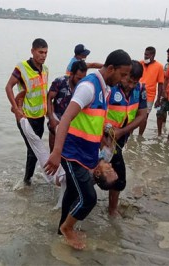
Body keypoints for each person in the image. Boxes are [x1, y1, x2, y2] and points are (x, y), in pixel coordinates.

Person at [44, 50, 132, 250]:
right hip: (71, 153)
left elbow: (94, 119)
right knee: (89, 198)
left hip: (85, 154)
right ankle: (68, 228)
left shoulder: (105, 89)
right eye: (123, 74)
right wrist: (56, 152)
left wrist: (102, 140)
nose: (124, 80)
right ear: (111, 69)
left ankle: (61, 229)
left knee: (73, 192)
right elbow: (65, 118)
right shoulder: (88, 87)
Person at [105, 60, 148, 216]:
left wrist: (123, 131)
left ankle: (112, 210)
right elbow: (96, 111)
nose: (130, 85)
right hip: (103, 137)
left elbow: (142, 115)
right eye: (128, 80)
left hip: (120, 137)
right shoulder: (110, 87)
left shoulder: (140, 89)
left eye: (134, 82)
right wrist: (107, 131)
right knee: (99, 172)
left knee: (117, 177)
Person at [5, 38, 49, 186]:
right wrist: (16, 110)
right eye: (40, 52)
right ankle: (27, 182)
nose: (43, 56)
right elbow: (9, 87)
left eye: (45, 53)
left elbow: (44, 94)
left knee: (35, 151)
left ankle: (28, 179)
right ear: (32, 51)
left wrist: (51, 115)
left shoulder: (46, 70)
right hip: (26, 118)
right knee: (33, 150)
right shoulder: (22, 67)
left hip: (40, 118)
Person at [47, 60, 87, 151]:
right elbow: (49, 99)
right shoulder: (60, 82)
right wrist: (51, 118)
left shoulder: (84, 87)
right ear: (72, 74)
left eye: (83, 79)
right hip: (56, 123)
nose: (81, 82)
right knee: (53, 153)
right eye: (78, 78)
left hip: (73, 127)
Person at [138, 46, 164, 136]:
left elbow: (161, 84)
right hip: (137, 93)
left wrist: (158, 99)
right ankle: (130, 134)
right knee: (133, 116)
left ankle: (140, 135)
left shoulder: (159, 67)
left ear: (153, 55)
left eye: (147, 55)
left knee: (144, 117)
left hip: (149, 95)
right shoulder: (140, 63)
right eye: (145, 54)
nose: (145, 57)